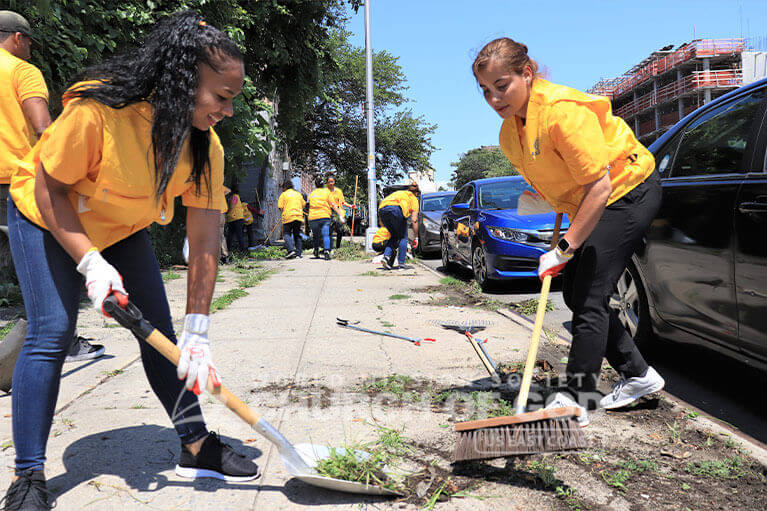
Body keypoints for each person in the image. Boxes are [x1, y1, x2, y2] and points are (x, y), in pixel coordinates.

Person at [3, 11, 259, 510]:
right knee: (51, 330)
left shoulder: (204, 146)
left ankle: (196, 444)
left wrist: (199, 328)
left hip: (118, 228)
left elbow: (205, 239)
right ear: (183, 80)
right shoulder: (100, 112)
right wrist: (91, 266)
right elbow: (48, 187)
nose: (227, 111)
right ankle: (28, 474)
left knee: (161, 334)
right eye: (222, 97)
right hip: (46, 214)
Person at [473, 37, 665, 426]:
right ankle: (639, 376)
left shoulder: (562, 111)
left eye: (502, 85)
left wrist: (565, 248)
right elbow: (557, 182)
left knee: (591, 296)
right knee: (577, 295)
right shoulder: (510, 134)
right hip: (592, 200)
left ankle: (576, 399)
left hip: (628, 190)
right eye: (485, 91)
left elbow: (599, 186)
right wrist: (541, 202)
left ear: (527, 74)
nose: (494, 99)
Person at [0, 10, 105, 364]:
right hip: (18, 185)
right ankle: (63, 341)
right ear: (17, 38)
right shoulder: (21, 71)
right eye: (28, 40)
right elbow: (46, 129)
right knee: (48, 265)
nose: (30, 47)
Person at [378, 182, 420, 270]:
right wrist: (416, 237)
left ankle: (386, 257)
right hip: (396, 210)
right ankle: (401, 263)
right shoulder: (414, 199)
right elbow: (414, 220)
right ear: (416, 193)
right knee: (403, 237)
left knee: (394, 236)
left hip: (382, 209)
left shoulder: (399, 193)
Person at [306, 175, 344, 260]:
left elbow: (307, 205)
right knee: (325, 234)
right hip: (324, 216)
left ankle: (316, 251)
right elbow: (334, 205)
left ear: (315, 185)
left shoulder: (311, 194)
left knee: (315, 235)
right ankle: (326, 252)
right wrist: (340, 215)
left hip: (313, 217)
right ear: (323, 185)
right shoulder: (327, 193)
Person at [277, 180, 305, 259]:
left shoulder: (283, 194)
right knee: (297, 235)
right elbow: (303, 204)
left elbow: (280, 207)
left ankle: (291, 250)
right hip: (298, 216)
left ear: (285, 187)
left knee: (286, 234)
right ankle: (298, 254)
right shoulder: (298, 194)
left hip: (288, 217)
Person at [325, 174, 354, 251]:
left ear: (334, 182)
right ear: (327, 183)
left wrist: (351, 206)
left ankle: (338, 247)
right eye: (329, 182)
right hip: (329, 212)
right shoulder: (325, 192)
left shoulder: (339, 191)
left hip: (338, 212)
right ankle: (329, 248)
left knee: (340, 230)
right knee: (329, 231)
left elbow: (343, 202)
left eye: (332, 181)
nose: (331, 183)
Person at [224, 182, 247, 255]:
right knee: (234, 235)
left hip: (234, 218)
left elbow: (231, 207)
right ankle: (241, 250)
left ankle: (238, 249)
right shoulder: (237, 196)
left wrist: (226, 212)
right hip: (237, 218)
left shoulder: (234, 197)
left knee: (232, 235)